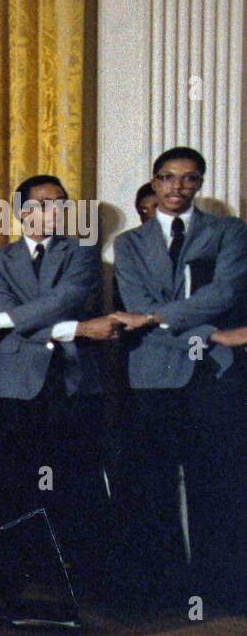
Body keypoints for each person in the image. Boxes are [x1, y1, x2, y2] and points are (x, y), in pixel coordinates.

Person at [0, 176, 121, 598]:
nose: (49, 212)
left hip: (72, 383)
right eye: (39, 204)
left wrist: (12, 322)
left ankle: (84, 578)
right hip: (17, 386)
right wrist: (77, 329)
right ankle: (19, 573)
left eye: (58, 204)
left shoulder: (82, 253)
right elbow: (3, 313)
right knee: (18, 479)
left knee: (75, 480)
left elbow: (63, 299)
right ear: (19, 211)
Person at [111, 147, 247, 611]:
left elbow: (224, 292)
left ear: (200, 184)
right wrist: (211, 331)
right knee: (154, 486)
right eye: (168, 178)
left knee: (218, 482)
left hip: (211, 373)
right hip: (153, 373)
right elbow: (134, 301)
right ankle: (163, 592)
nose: (177, 188)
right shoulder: (129, 243)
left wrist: (153, 316)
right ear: (154, 181)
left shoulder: (228, 231)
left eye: (189, 179)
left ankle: (223, 590)